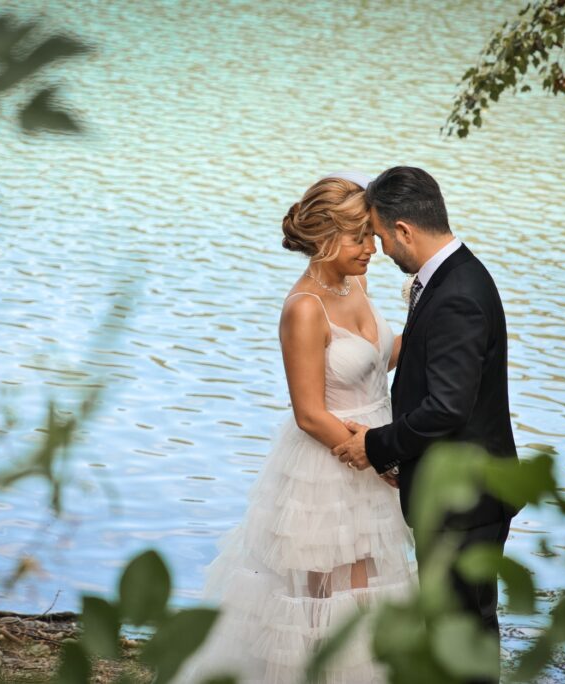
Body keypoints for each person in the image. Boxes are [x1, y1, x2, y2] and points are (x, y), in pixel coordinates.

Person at [181, 173, 417, 684]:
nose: (372, 248)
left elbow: (377, 360)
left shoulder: (356, 283)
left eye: (372, 235)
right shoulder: (304, 309)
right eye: (359, 237)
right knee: (324, 598)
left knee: (370, 590)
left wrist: (431, 325)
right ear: (327, 237)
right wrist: (377, 458)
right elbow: (308, 413)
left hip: (376, 449)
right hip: (330, 464)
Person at [331, 166, 518, 682]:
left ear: (404, 230)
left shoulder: (456, 293)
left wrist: (377, 445)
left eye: (380, 235)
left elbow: (447, 407)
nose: (379, 249)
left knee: (462, 632)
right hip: (462, 489)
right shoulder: (454, 276)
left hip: (465, 498)